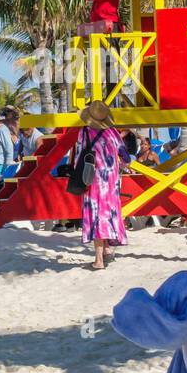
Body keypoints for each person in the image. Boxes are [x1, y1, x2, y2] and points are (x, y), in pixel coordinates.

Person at [74, 100, 130, 270]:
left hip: (92, 179)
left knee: (96, 214)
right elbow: (126, 157)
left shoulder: (84, 132)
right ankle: (106, 249)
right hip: (111, 181)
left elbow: (79, 156)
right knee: (107, 212)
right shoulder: (113, 133)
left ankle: (98, 260)